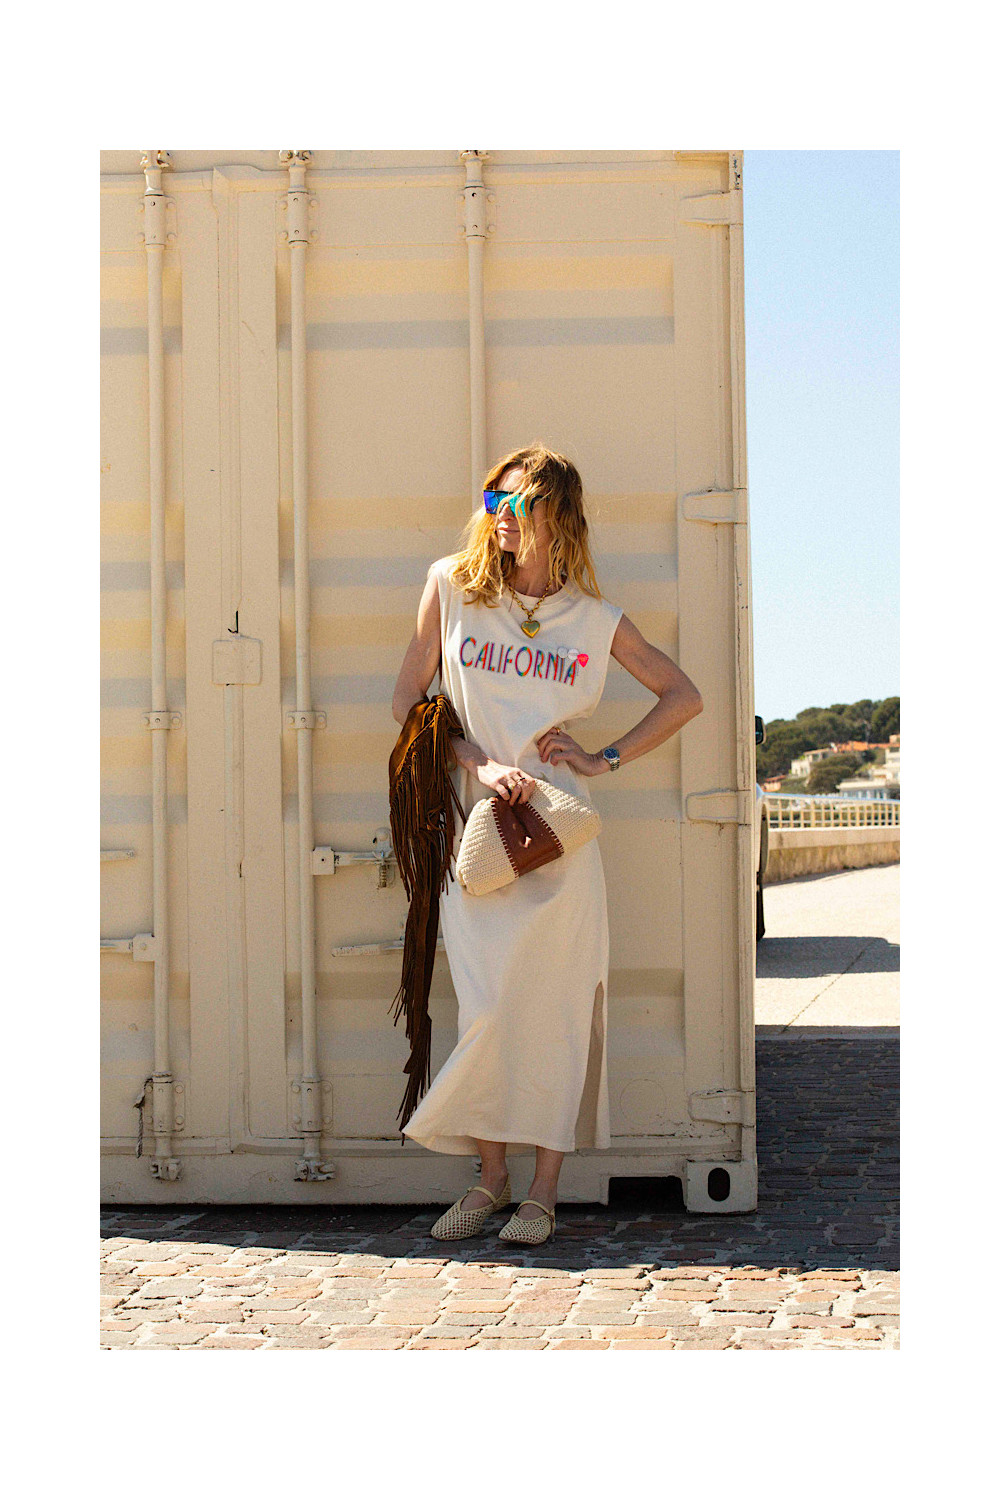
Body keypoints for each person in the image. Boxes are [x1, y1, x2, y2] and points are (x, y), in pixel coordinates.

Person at [390, 442, 703, 1244]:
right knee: (488, 1013)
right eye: (492, 501)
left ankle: (544, 1191)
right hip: (481, 843)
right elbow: (408, 700)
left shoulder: (594, 619)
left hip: (562, 842)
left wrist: (604, 758)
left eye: (516, 504)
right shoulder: (451, 590)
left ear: (554, 517)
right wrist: (478, 762)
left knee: (558, 1016)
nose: (498, 517)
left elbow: (683, 695)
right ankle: (490, 1179)